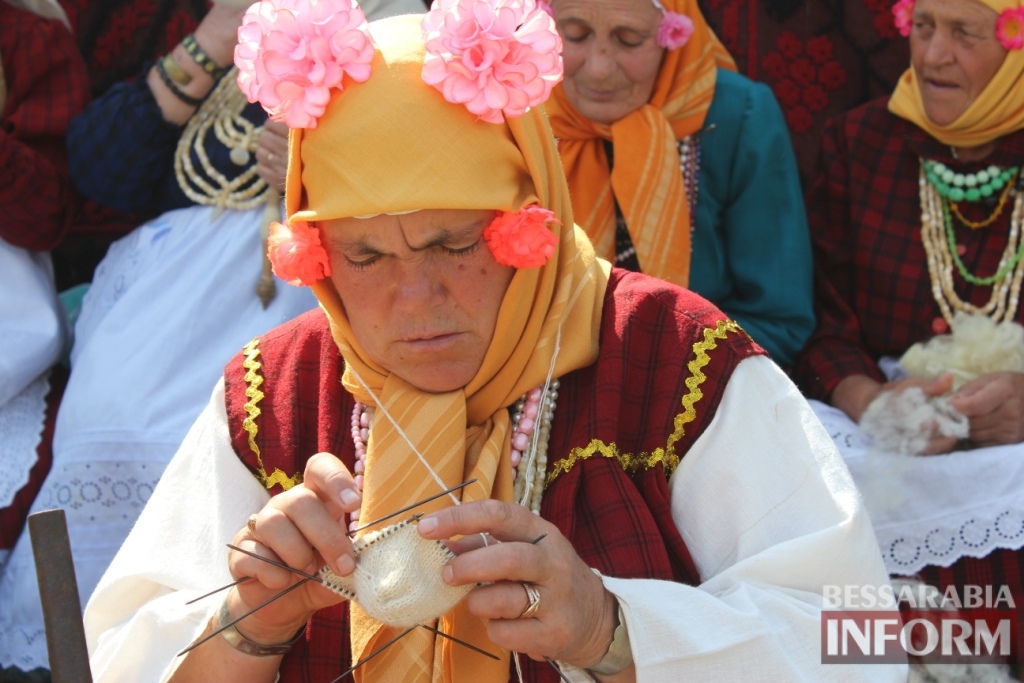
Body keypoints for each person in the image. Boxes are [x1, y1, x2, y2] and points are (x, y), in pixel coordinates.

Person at [85, 2, 903, 681]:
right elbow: (116, 654)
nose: (416, 298)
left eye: (454, 243)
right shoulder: (277, 392)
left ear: (531, 222)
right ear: (318, 258)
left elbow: (856, 639)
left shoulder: (675, 360)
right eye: (366, 256)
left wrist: (613, 629)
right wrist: (251, 619)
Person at [0, 0, 422, 672]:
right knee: (104, 422)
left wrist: (330, 170)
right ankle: (89, 650)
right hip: (163, 293)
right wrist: (211, 42)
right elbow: (98, 172)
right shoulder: (201, 19)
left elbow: (434, 192)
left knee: (233, 444)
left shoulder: (413, 33)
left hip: (312, 277)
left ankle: (222, 643)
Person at [793, 0, 1024, 658]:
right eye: (923, 27)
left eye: (964, 33)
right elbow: (819, 318)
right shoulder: (860, 143)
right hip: (886, 444)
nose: (932, 56)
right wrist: (869, 400)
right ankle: (883, 664)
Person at [543, 0, 814, 369]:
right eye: (575, 35)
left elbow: (779, 320)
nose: (599, 69)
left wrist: (642, 373)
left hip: (694, 386)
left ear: (673, 33)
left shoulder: (737, 117)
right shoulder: (521, 107)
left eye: (629, 40)